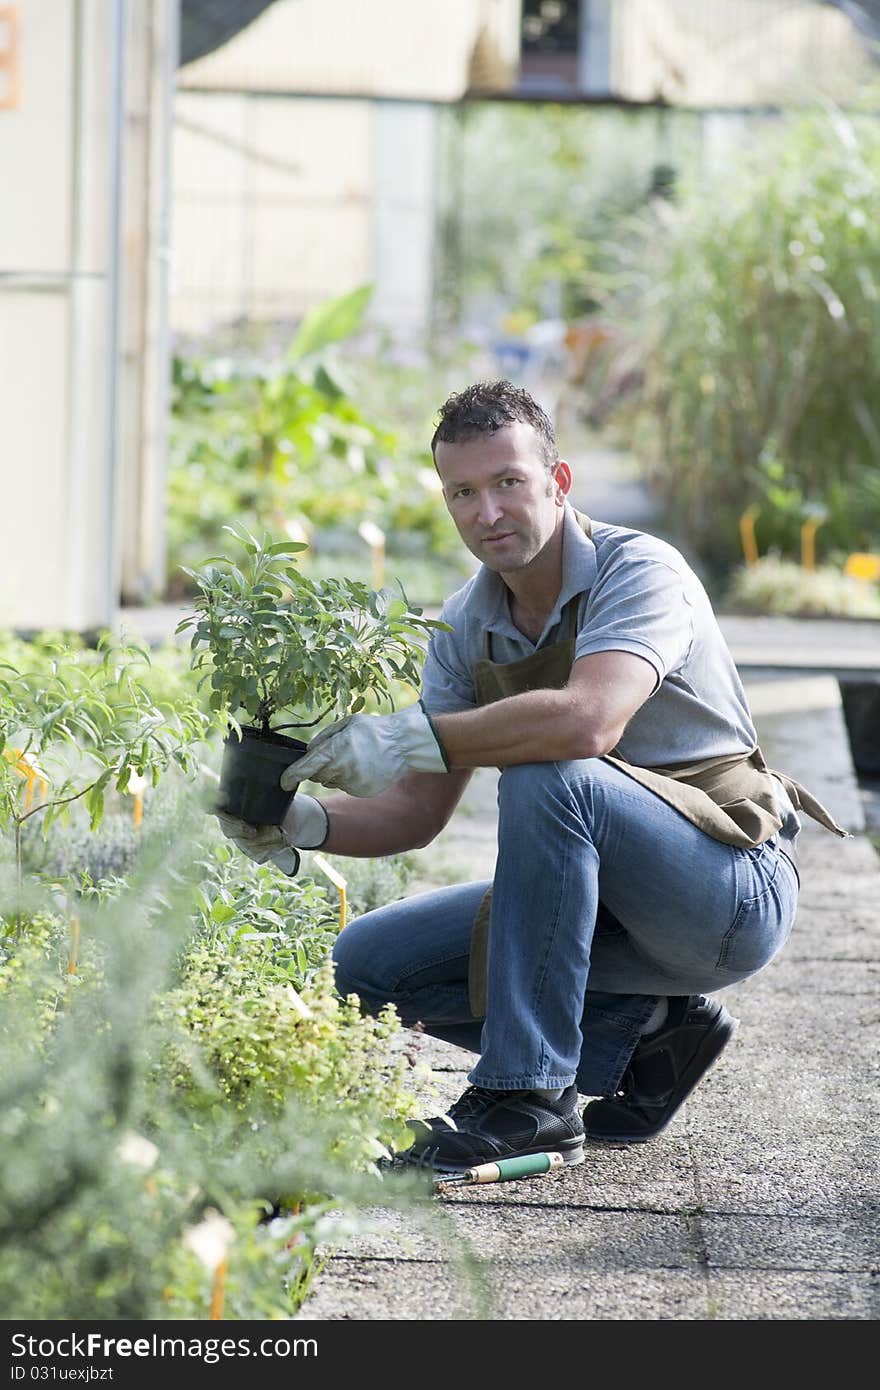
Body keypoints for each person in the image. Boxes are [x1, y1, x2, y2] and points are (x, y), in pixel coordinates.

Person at [218, 380, 846, 1172]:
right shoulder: (463, 630)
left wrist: (414, 736)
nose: (487, 513)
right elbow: (416, 812)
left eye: (508, 483)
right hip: (608, 919)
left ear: (558, 481)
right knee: (365, 966)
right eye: (463, 493)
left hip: (725, 887)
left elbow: (588, 721)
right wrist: (304, 822)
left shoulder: (640, 570)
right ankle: (650, 1034)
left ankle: (528, 1099)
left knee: (553, 774)